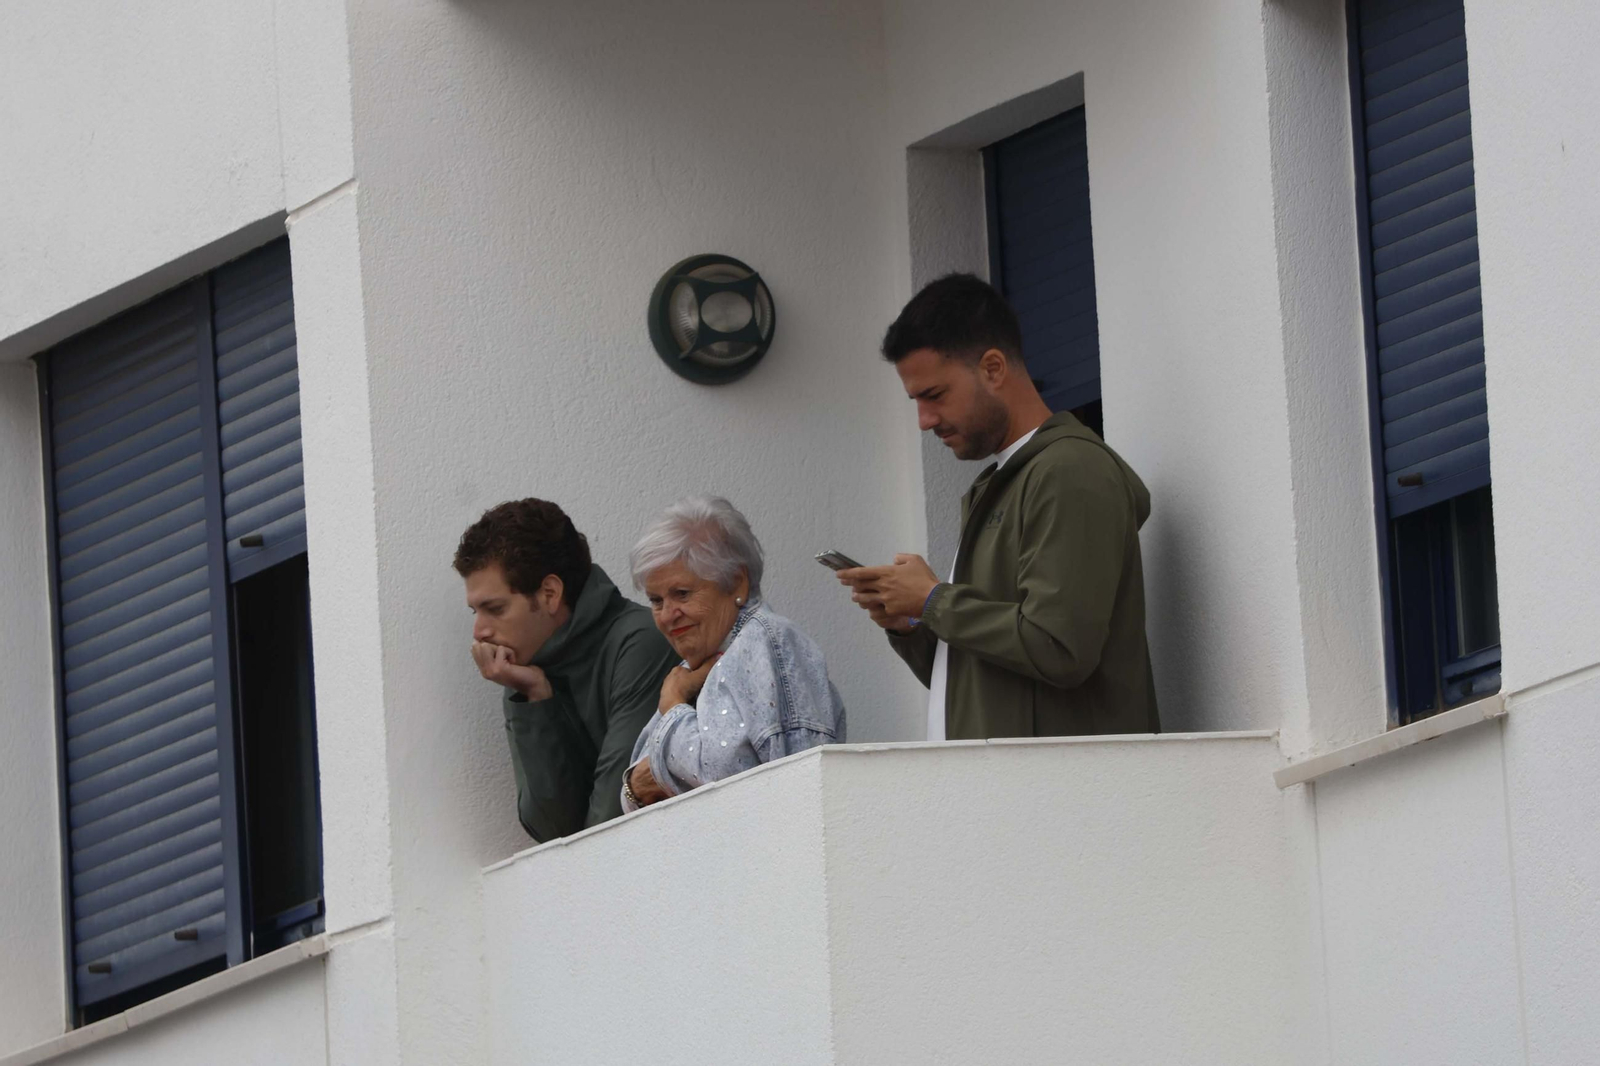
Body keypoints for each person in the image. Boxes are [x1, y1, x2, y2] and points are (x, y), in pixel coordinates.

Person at [839, 273, 1160, 740]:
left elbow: (1059, 648)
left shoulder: (1069, 471)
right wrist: (913, 624)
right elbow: (978, 682)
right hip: (1008, 794)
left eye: (934, 395)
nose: (925, 421)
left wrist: (934, 599)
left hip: (1066, 796)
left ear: (992, 368)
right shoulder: (1002, 483)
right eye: (916, 401)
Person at [455, 498, 678, 842]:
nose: (479, 631)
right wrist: (535, 698)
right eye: (475, 612)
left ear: (549, 593)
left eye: (494, 608)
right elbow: (553, 829)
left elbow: (611, 818)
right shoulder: (524, 673)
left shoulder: (640, 642)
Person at [621, 496, 846, 810]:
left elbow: (757, 784)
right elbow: (633, 791)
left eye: (681, 594)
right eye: (656, 601)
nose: (667, 615)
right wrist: (636, 785)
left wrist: (672, 709)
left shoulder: (768, 642)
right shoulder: (692, 670)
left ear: (737, 584)